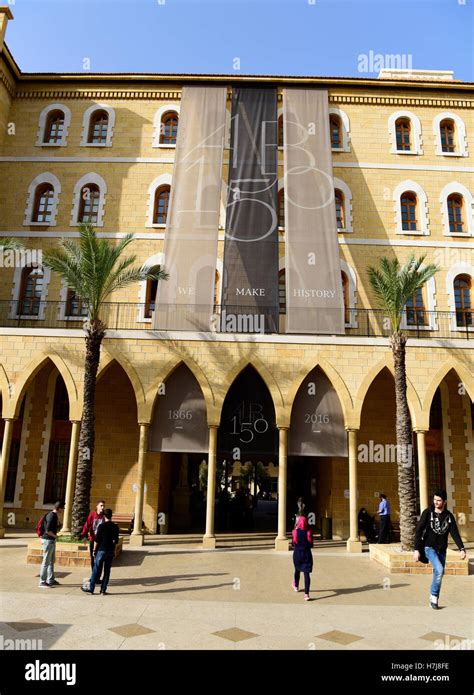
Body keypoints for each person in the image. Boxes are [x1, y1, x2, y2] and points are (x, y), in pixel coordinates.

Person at [413, 489, 466, 610]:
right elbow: (419, 530)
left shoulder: (448, 516)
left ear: (445, 501)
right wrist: (416, 549)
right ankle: (433, 597)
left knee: (439, 573)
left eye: (439, 500)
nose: (436, 502)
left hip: (442, 549)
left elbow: (455, 533)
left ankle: (434, 598)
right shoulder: (427, 513)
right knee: (440, 569)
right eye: (435, 500)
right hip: (429, 547)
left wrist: (461, 548)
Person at [81, 508, 119, 595]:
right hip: (110, 551)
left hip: (101, 550)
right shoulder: (115, 527)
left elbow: (96, 540)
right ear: (111, 516)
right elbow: (115, 541)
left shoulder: (101, 526)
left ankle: (91, 589)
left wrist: (94, 550)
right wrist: (113, 550)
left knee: (96, 569)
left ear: (104, 516)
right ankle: (103, 590)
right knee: (107, 571)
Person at [38, 501, 64, 588]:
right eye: (62, 508)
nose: (63, 510)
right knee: (46, 561)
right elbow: (47, 530)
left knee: (51, 561)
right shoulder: (52, 516)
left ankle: (50, 579)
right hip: (48, 541)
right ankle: (42, 581)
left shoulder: (53, 515)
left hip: (51, 541)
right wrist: (56, 536)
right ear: (59, 508)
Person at [291, 515, 313, 601]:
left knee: (297, 570)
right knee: (306, 574)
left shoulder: (295, 532)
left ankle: (296, 585)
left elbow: (293, 544)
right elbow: (311, 545)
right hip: (306, 554)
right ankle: (306, 594)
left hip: (297, 554)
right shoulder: (308, 532)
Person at [82, 500, 105, 575]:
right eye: (101, 505)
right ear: (97, 506)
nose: (102, 507)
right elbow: (87, 525)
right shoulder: (92, 515)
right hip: (93, 539)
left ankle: (98, 576)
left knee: (100, 559)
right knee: (93, 558)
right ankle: (94, 574)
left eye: (103, 506)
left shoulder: (104, 517)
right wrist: (84, 535)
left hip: (101, 541)